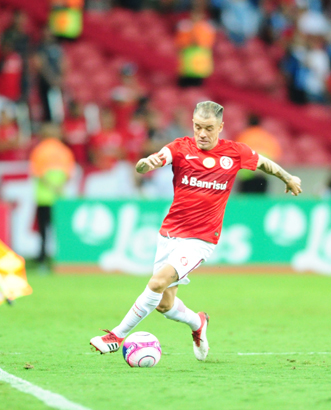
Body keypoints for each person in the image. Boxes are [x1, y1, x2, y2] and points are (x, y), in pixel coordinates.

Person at [90, 101, 302, 360]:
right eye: (198, 127)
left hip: (200, 239)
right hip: (169, 233)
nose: (202, 133)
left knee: (156, 282)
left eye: (209, 128)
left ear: (221, 127)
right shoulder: (181, 147)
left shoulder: (234, 153)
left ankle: (116, 336)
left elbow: (264, 163)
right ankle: (198, 322)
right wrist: (147, 163)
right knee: (165, 304)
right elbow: (160, 157)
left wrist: (288, 178)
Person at [29, 123, 75, 267]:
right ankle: (61, 259)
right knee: (60, 230)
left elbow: (37, 172)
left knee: (43, 231)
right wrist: (58, 187)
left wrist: (50, 186)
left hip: (43, 197)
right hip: (60, 197)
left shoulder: (39, 150)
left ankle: (42, 259)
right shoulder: (65, 151)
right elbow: (69, 173)